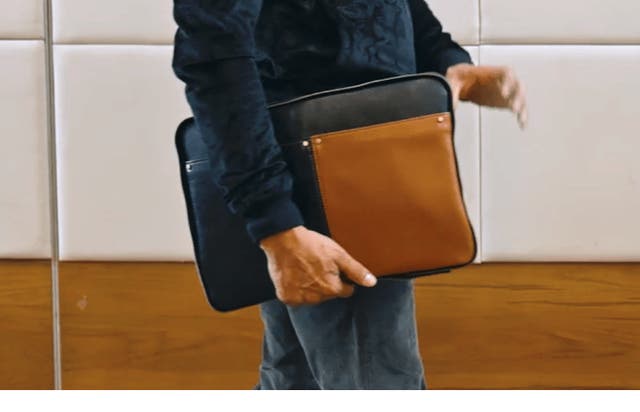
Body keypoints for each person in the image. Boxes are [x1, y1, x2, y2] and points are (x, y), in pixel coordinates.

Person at [172, 0, 527, 390]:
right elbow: (213, 53)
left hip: (358, 173)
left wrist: (446, 60)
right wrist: (276, 224)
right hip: (312, 183)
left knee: (295, 380)